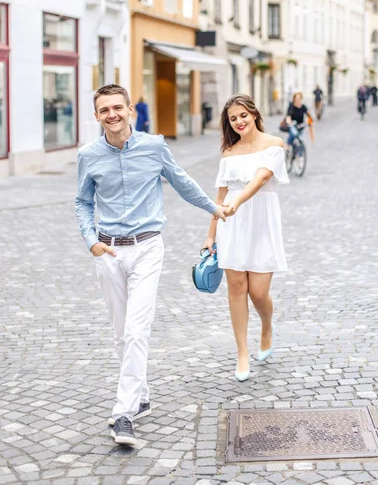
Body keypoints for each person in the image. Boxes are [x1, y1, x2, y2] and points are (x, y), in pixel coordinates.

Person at [75, 84, 226, 447]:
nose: (111, 114)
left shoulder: (155, 146)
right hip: (108, 251)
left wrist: (215, 209)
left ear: (131, 110)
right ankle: (140, 395)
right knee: (119, 331)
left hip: (147, 248)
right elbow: (82, 201)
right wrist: (91, 242)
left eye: (117, 108)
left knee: (137, 328)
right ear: (96, 116)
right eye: (104, 110)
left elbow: (182, 182)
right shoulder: (89, 155)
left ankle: (123, 413)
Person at [203, 94, 289, 382]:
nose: (238, 121)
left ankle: (267, 325)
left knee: (259, 292)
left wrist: (238, 201)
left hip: (262, 222)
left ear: (254, 113)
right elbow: (219, 198)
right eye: (232, 118)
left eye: (243, 115)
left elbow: (261, 178)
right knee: (237, 287)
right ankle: (242, 352)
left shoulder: (274, 145)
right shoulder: (228, 155)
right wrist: (210, 236)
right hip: (232, 225)